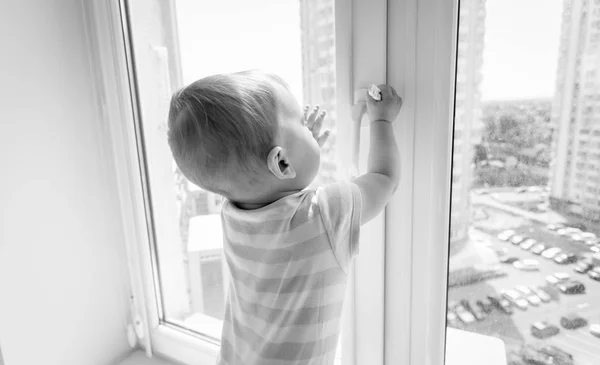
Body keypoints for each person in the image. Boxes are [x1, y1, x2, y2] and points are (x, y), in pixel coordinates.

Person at [167, 69, 402, 365]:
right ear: (281, 162)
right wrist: (381, 120)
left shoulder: (233, 213)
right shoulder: (326, 214)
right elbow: (385, 177)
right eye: (303, 126)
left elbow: (271, 186)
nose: (309, 128)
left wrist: (300, 150)